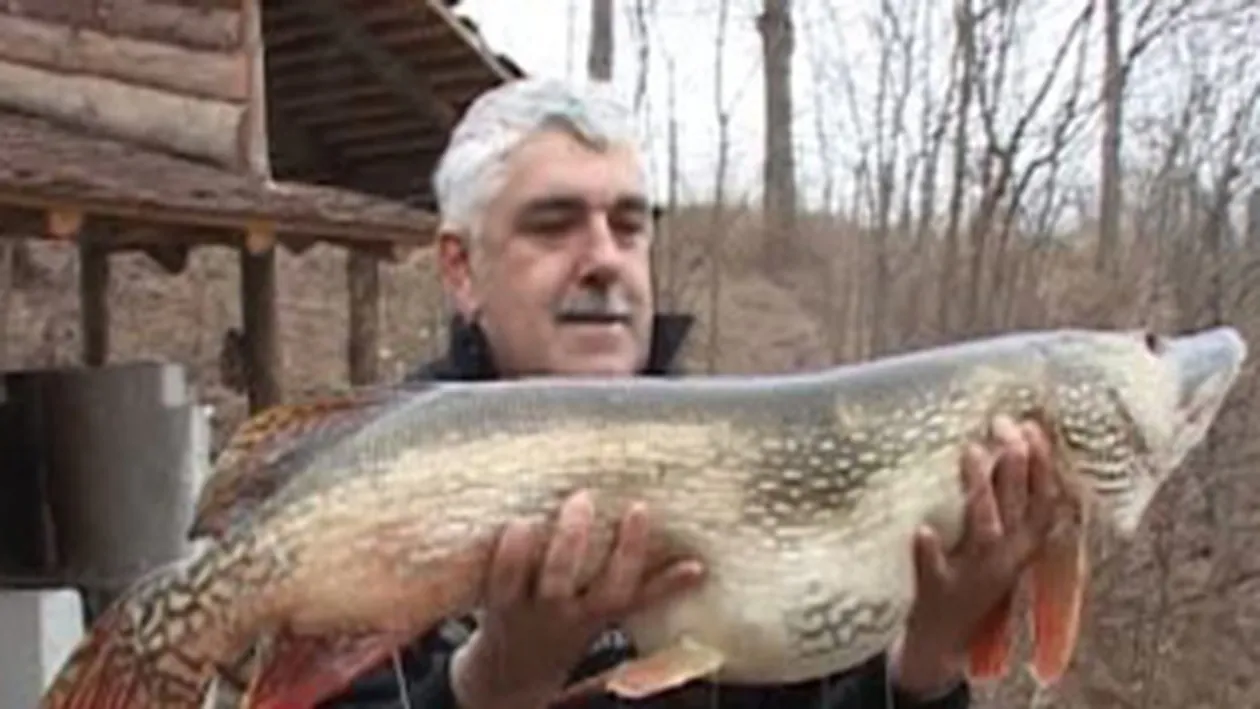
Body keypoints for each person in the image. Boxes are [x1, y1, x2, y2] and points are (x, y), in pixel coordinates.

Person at [320, 77, 1059, 709]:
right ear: (460, 269)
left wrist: (926, 665)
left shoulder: (754, 462)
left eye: (628, 226)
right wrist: (491, 685)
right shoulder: (366, 484)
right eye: (554, 226)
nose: (605, 259)